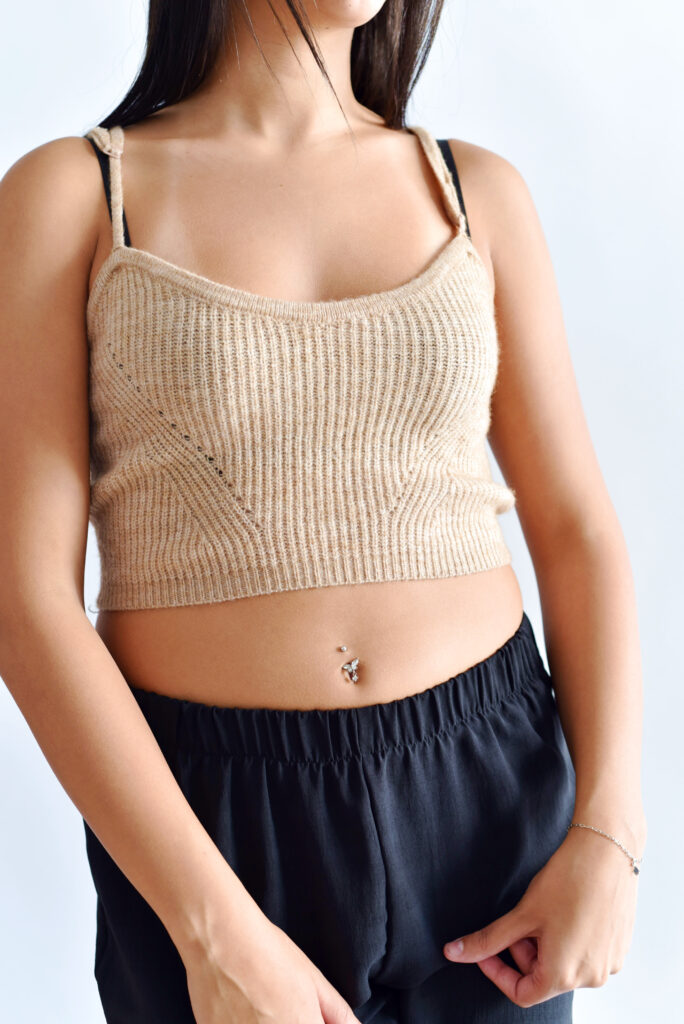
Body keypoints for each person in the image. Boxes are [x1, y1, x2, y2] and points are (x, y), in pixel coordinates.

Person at [0, 1, 646, 1022]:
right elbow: (24, 598)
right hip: (210, 827)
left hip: (491, 804)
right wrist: (211, 929)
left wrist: (610, 834)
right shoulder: (78, 195)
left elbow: (579, 530)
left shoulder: (474, 192)